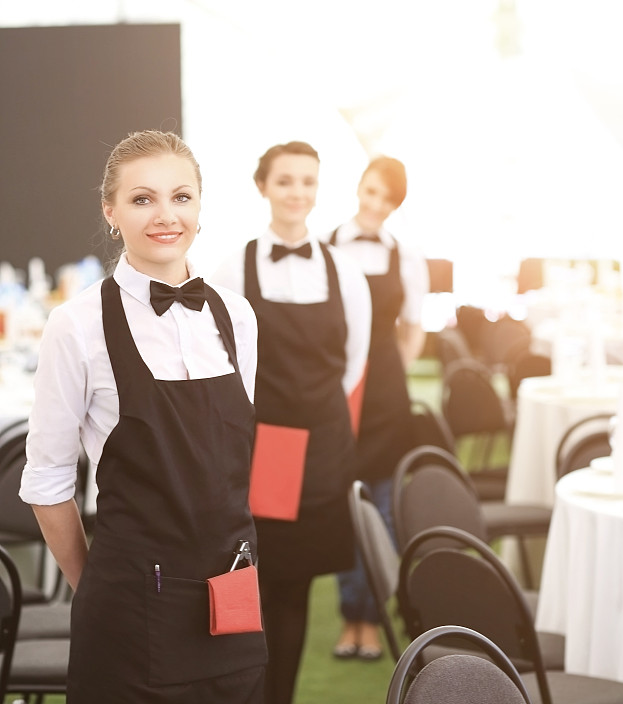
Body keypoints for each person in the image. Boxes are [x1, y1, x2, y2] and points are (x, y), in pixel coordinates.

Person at [19, 130, 268, 702]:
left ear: (200, 208)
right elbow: (47, 482)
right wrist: (101, 586)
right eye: (142, 199)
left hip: (232, 597)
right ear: (111, 212)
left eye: (181, 197)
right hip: (127, 615)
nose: (165, 215)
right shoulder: (76, 325)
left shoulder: (238, 317)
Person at [212, 141, 371, 704]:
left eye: (307, 181)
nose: (297, 192)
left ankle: (281, 697)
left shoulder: (346, 271)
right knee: (261, 579)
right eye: (285, 181)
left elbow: (354, 363)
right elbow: (221, 360)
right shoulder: (234, 266)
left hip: (323, 442)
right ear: (263, 187)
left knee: (298, 584)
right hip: (267, 444)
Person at [326, 156, 429, 661]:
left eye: (386, 199)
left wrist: (396, 370)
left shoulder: (405, 255)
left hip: (387, 390)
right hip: (340, 388)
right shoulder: (325, 247)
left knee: (385, 506)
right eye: (371, 192)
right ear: (359, 189)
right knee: (347, 502)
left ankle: (374, 617)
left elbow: (414, 324)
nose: (375, 205)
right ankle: (350, 617)